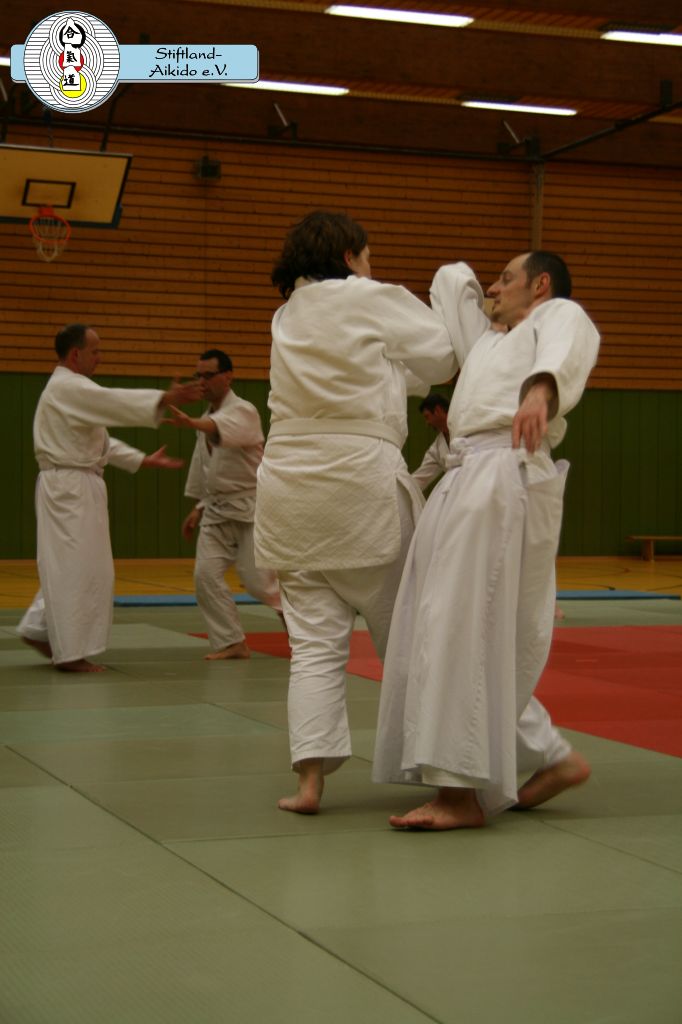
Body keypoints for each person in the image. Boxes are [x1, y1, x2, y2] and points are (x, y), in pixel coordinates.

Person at [254, 210, 477, 814]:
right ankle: (447, 768)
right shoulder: (368, 296)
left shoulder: (286, 316)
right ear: (350, 256)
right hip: (358, 484)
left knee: (313, 648)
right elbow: (440, 360)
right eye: (368, 256)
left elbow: (381, 373)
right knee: (408, 636)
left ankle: (309, 784)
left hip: (289, 491)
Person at [373, 251, 600, 829]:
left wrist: (540, 393)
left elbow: (569, 344)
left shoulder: (557, 316)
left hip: (504, 468)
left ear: (541, 285)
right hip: (465, 474)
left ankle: (459, 794)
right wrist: (488, 297)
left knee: (462, 625)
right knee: (438, 623)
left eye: (506, 279)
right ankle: (549, 754)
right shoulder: (490, 342)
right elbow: (450, 279)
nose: (493, 290)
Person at [17, 323, 200, 673]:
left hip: (75, 484)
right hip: (69, 488)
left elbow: (97, 441)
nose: (100, 357)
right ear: (76, 354)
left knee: (78, 566)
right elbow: (112, 401)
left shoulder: (68, 390)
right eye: (95, 351)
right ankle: (70, 654)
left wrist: (140, 459)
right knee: (77, 568)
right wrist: (164, 398)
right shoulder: (70, 387)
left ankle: (39, 629)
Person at [167, 349, 282, 660]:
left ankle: (293, 616)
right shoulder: (205, 418)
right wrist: (199, 506)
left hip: (251, 507)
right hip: (216, 510)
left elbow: (220, 430)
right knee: (205, 577)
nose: (202, 381)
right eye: (199, 375)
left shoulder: (244, 411)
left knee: (259, 583)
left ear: (228, 376)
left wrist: (192, 422)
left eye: (209, 375)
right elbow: (206, 468)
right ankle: (232, 641)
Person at [411, 393, 451, 491]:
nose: (427, 423)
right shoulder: (437, 448)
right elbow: (419, 478)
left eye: (427, 416)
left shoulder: (466, 429)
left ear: (437, 410)